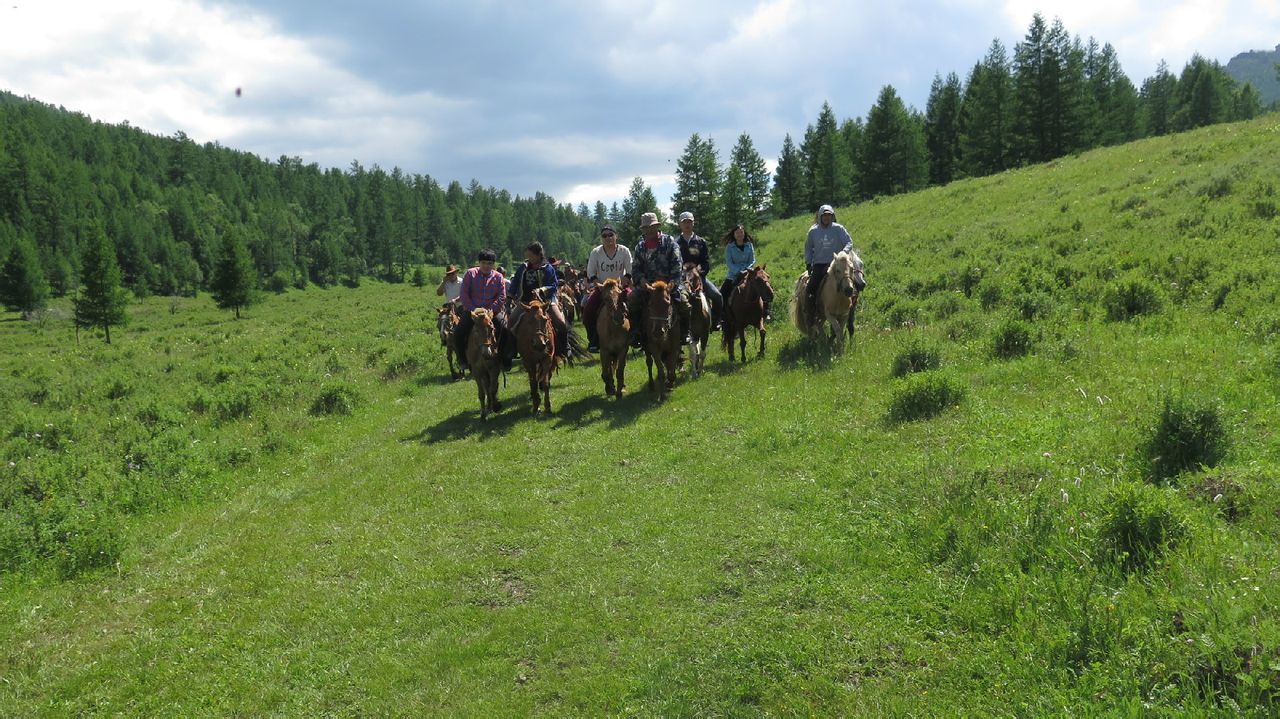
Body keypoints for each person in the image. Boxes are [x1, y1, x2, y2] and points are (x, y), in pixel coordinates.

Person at [506, 241, 580, 362]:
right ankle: (512, 350)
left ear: (539, 255)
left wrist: (542, 290)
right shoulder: (523, 267)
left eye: (531, 255)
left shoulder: (548, 268)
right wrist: (509, 297)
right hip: (526, 302)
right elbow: (515, 283)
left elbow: (553, 285)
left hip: (545, 301)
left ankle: (565, 346)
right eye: (527, 255)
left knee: (560, 322)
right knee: (511, 322)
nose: (528, 258)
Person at [627, 211, 688, 349]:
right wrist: (642, 281)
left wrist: (672, 283)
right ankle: (636, 332)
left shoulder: (669, 242)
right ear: (643, 229)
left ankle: (685, 332)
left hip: (669, 285)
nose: (649, 230)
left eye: (651, 227)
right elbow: (635, 269)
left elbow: (677, 264)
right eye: (646, 228)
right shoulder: (640, 247)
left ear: (657, 227)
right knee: (631, 301)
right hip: (648, 287)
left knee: (684, 302)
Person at [453, 249, 508, 371]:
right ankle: (462, 360)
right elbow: (464, 294)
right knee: (458, 333)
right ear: (479, 263)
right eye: (484, 263)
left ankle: (504, 359)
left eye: (490, 263)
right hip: (472, 311)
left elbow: (502, 296)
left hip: (492, 312)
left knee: (505, 329)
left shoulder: (498, 277)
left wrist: (491, 310)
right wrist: (474, 309)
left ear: (494, 264)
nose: (487, 266)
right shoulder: (470, 274)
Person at [582, 224, 633, 352]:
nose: (608, 238)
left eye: (611, 235)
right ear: (601, 238)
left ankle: (635, 336)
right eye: (604, 236)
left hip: (620, 288)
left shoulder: (624, 251)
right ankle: (594, 341)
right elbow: (591, 273)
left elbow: (629, 271)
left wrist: (622, 285)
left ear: (616, 236)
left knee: (636, 304)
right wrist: (601, 287)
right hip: (602, 289)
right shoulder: (596, 252)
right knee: (588, 311)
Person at [803, 204, 853, 323]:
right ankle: (812, 312)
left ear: (832, 216)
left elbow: (849, 242)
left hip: (837, 264)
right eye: (824, 216)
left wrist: (842, 253)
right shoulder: (813, 231)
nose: (826, 218)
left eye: (829, 215)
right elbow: (808, 248)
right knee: (811, 288)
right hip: (820, 264)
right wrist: (809, 263)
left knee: (853, 281)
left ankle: (851, 308)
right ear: (820, 216)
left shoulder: (838, 228)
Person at [675, 211, 723, 330]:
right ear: (680, 225)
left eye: (689, 222)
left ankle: (716, 321)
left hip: (699, 277)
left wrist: (700, 272)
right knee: (675, 300)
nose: (687, 224)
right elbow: (675, 262)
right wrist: (682, 274)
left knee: (717, 296)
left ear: (693, 223)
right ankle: (680, 329)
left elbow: (706, 261)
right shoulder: (675, 243)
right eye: (684, 222)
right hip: (682, 280)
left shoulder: (701, 242)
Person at [720, 224, 773, 321]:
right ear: (734, 235)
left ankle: (765, 311)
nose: (739, 234)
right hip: (733, 275)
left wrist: (746, 269)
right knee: (722, 292)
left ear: (744, 233)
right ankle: (722, 316)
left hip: (749, 272)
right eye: (737, 233)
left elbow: (752, 260)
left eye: (741, 232)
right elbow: (729, 263)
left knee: (763, 285)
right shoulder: (729, 247)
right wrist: (739, 271)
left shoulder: (749, 245)